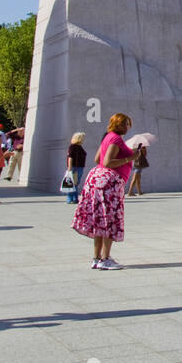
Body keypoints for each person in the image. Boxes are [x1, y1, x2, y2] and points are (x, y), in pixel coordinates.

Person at [72, 113, 135, 270]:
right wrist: (131, 157)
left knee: (100, 220)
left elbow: (97, 159)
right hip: (109, 183)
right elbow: (107, 162)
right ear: (119, 124)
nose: (128, 127)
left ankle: (96, 257)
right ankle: (105, 258)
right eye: (126, 124)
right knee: (109, 220)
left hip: (98, 179)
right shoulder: (116, 139)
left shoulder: (107, 137)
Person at [64, 132, 87, 204]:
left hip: (79, 167)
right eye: (82, 138)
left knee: (75, 183)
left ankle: (74, 198)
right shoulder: (73, 147)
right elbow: (70, 157)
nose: (83, 140)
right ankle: (71, 198)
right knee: (72, 183)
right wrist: (70, 168)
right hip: (74, 167)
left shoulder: (79, 147)